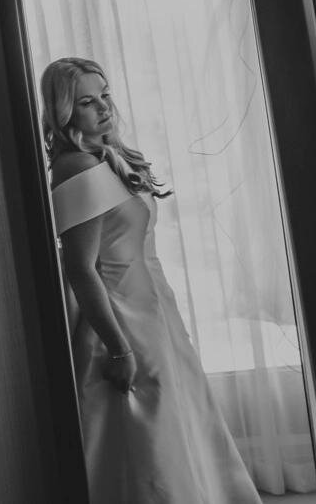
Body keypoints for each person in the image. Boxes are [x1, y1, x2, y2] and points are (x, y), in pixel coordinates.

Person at [41, 56, 263, 504]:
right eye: (87, 102)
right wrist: (119, 347)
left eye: (105, 95)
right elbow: (80, 268)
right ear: (66, 113)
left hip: (153, 310)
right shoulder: (77, 168)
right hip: (123, 320)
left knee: (175, 428)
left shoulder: (106, 158)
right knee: (146, 437)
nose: (104, 107)